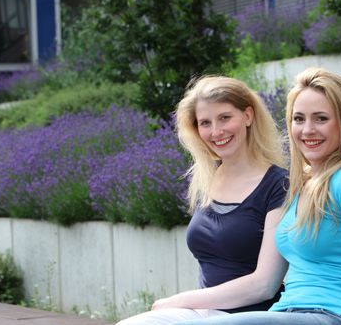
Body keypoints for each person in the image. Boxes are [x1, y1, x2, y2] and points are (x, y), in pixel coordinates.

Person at [172, 67, 341, 325]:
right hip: (288, 312)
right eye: (298, 119)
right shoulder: (302, 184)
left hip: (335, 316)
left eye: (321, 119)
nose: (307, 130)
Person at [116, 76, 288, 325]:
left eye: (225, 118)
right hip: (205, 313)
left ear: (248, 116)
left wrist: (179, 300)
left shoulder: (278, 184)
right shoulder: (207, 179)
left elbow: (264, 285)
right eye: (205, 123)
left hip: (253, 314)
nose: (216, 132)